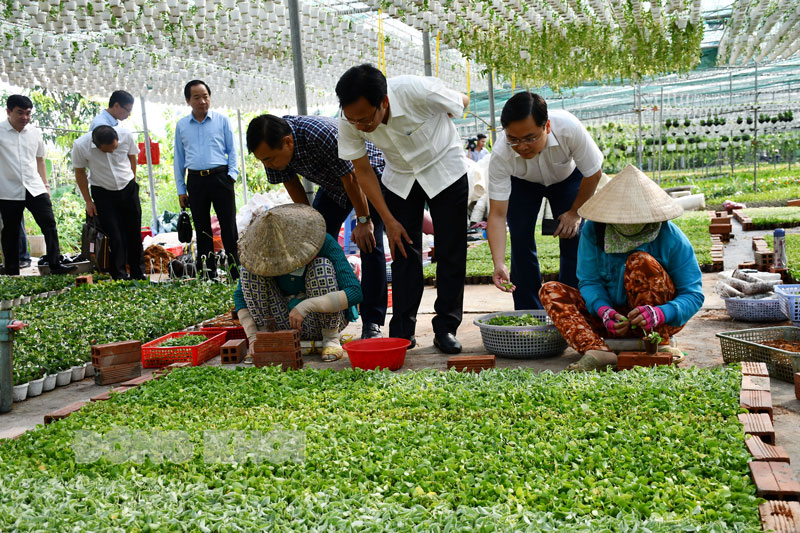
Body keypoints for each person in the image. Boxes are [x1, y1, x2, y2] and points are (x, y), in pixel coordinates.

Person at [336, 64, 469, 354]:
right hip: (400, 177)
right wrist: (388, 220)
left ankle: (446, 326)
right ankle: (402, 331)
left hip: (445, 167)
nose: (359, 126)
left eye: (365, 119)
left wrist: (440, 117)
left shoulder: (415, 90)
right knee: (403, 251)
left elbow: (463, 102)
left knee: (451, 250)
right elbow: (363, 170)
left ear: (383, 102)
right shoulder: (349, 119)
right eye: (352, 120)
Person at [539, 165, 704, 371]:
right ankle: (597, 350)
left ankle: (657, 342)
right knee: (550, 290)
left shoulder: (670, 236)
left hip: (659, 321)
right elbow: (590, 281)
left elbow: (693, 294)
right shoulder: (593, 230)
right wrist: (604, 310)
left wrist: (659, 314)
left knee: (640, 261)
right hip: (610, 323)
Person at [245, 114, 388, 340]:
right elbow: (291, 183)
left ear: (288, 142)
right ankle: (329, 313)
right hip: (334, 186)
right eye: (262, 160)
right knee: (314, 245)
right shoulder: (274, 151)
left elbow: (352, 178)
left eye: (269, 159)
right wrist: (307, 227)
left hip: (368, 176)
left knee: (369, 244)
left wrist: (363, 221)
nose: (267, 165)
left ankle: (372, 322)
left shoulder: (319, 135)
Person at [487, 91, 604, 310]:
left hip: (567, 178)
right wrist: (499, 262)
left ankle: (571, 309)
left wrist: (574, 213)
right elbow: (497, 214)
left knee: (573, 236)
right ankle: (529, 312)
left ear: (547, 126)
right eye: (514, 139)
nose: (522, 146)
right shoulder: (501, 154)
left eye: (530, 138)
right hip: (522, 183)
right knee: (520, 238)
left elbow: (593, 173)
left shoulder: (568, 128)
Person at [234, 204, 363, 362]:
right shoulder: (259, 254)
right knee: (248, 273)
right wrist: (253, 337)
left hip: (318, 321)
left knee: (321, 266)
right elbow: (241, 296)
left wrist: (306, 306)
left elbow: (355, 292)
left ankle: (331, 339)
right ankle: (264, 339)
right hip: (279, 323)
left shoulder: (323, 242)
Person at [0, 95, 74, 275]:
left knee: (49, 224)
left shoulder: (34, 132)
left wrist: (46, 185)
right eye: (20, 113)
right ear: (8, 111)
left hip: (35, 187)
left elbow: (40, 159)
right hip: (7, 189)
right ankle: (11, 270)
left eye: (28, 113)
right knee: (10, 231)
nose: (25, 117)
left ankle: (55, 264)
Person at [174, 80, 240, 280]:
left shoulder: (221, 120)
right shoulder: (182, 125)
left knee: (228, 226)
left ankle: (235, 272)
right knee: (202, 229)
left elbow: (232, 150)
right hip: (196, 181)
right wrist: (181, 189)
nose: (202, 101)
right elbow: (179, 158)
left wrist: (232, 175)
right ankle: (208, 274)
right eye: (197, 97)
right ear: (188, 100)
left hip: (221, 178)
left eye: (206, 96)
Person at [72, 125, 145, 280]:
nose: (112, 151)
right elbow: (79, 172)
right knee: (114, 235)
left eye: (114, 148)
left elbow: (132, 156)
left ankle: (138, 272)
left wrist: (133, 179)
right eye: (107, 150)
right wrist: (88, 201)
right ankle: (119, 275)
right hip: (103, 192)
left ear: (117, 138)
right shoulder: (81, 145)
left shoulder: (126, 134)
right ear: (96, 145)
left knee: (134, 232)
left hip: (128, 188)